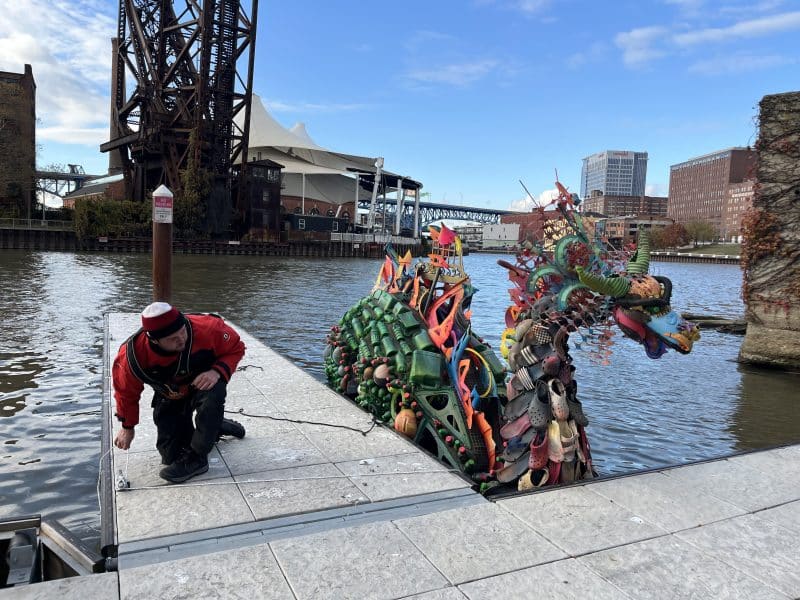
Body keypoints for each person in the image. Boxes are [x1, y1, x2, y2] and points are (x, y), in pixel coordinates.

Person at [113, 302, 246, 483]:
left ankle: (199, 458)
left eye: (182, 332)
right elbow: (126, 393)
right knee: (171, 455)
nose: (181, 339)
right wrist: (127, 427)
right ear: (154, 340)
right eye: (172, 339)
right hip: (171, 394)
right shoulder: (132, 356)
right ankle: (213, 426)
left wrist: (216, 372)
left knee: (213, 394)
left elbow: (236, 347)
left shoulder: (208, 328)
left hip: (204, 385)